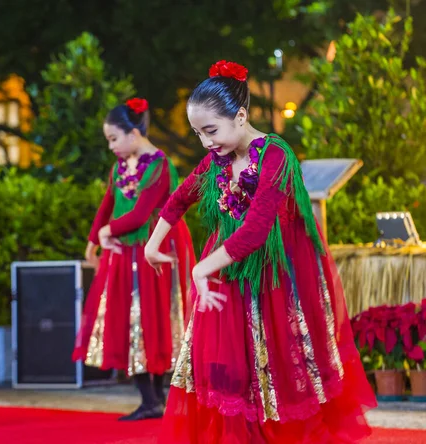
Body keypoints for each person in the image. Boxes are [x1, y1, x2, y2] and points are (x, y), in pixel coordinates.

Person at [144, 61, 377, 443]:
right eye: (199, 133)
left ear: (240, 115)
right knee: (233, 371)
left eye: (212, 131)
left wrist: (202, 269)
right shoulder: (217, 159)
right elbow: (179, 199)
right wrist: (154, 244)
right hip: (233, 276)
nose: (206, 142)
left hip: (276, 279)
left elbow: (255, 230)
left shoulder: (276, 156)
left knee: (278, 367)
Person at [72, 98, 196, 421]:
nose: (111, 146)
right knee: (131, 320)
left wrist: (107, 232)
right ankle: (150, 399)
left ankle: (157, 398)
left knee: (151, 320)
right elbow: (108, 201)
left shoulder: (159, 165)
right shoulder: (120, 165)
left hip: (153, 249)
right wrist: (92, 241)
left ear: (133, 133)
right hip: (125, 251)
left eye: (114, 138)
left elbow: (141, 215)